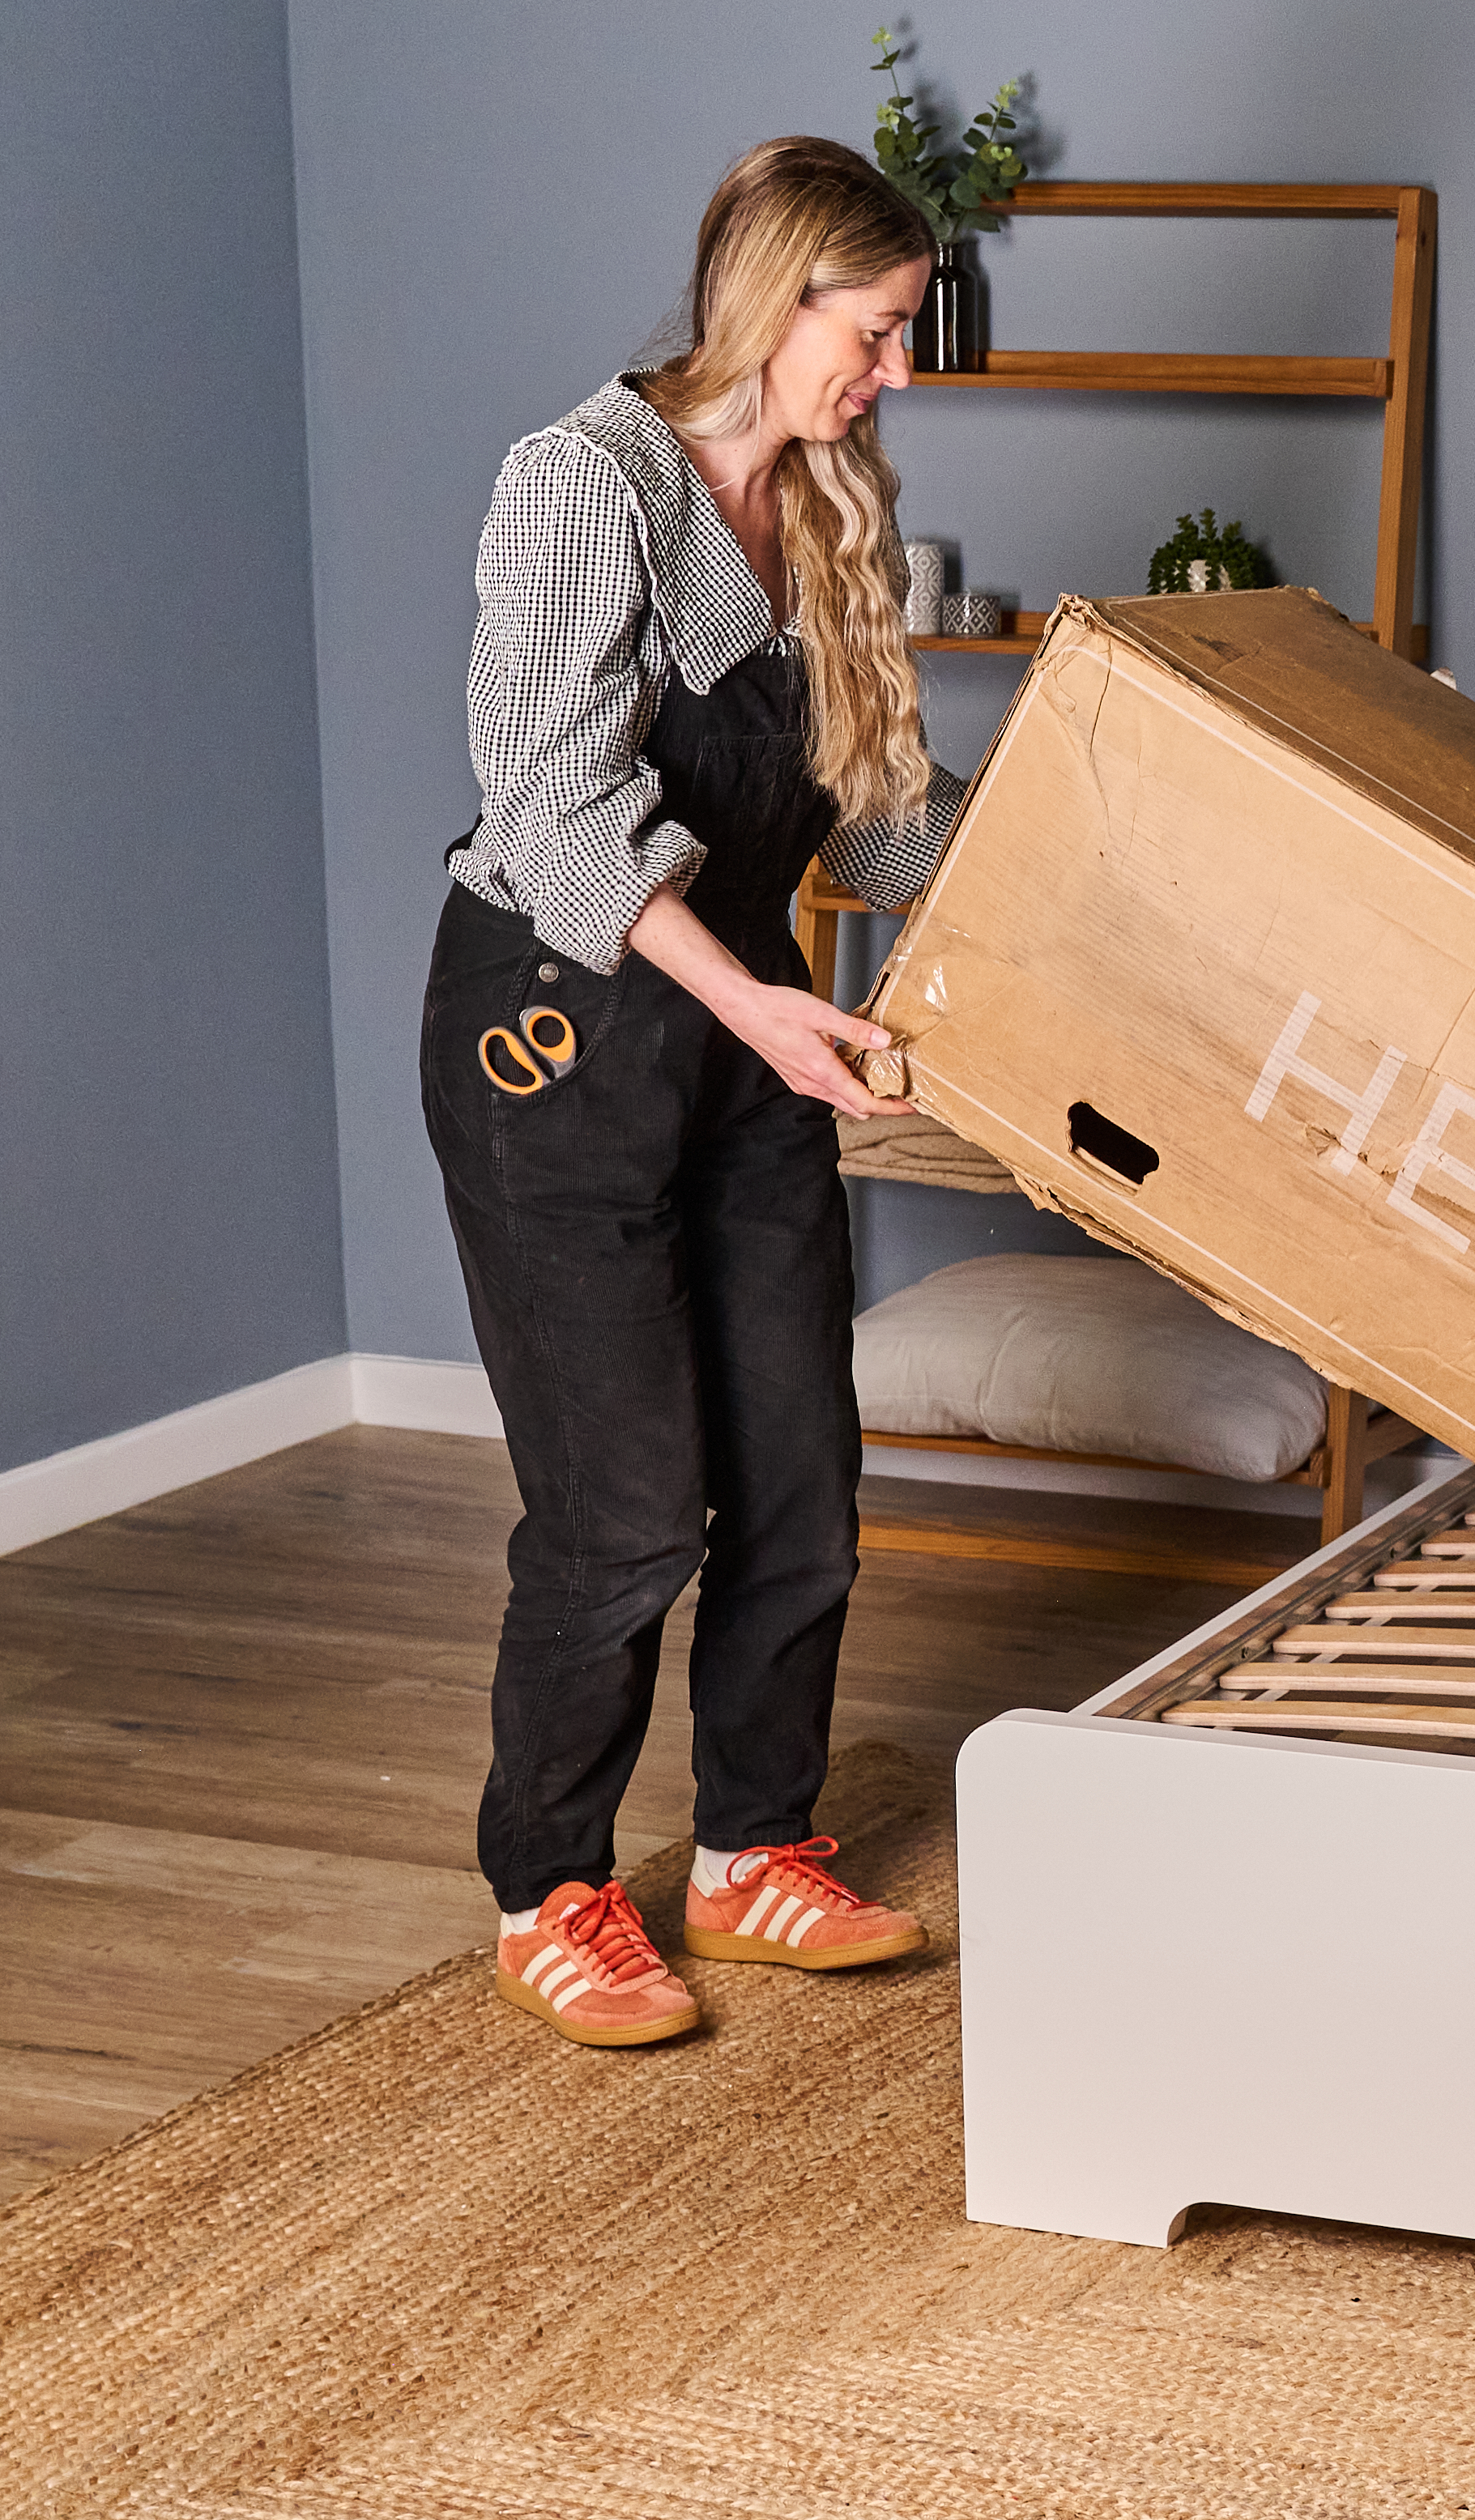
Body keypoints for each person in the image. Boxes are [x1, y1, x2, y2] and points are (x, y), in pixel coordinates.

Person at [424, 137, 962, 2049]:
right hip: (557, 1035)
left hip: (744, 1035)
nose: (891, 376)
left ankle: (751, 1852)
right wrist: (762, 1004)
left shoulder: (823, 501)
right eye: (877, 330)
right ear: (776, 296)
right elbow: (556, 815)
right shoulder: (582, 483)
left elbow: (879, 817)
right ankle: (548, 1881)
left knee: (800, 1474)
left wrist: (1076, 880)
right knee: (625, 1506)